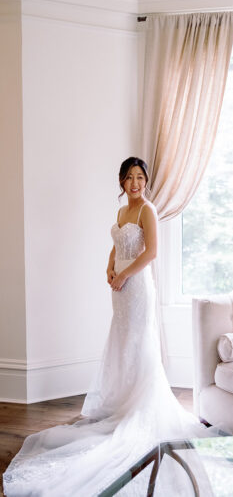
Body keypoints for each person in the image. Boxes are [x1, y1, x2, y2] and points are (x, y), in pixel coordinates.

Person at [3, 157, 214, 496]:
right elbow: (116, 245)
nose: (135, 183)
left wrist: (125, 274)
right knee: (121, 343)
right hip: (119, 288)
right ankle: (120, 400)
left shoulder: (147, 209)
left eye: (140, 178)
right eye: (129, 177)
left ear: (146, 182)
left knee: (138, 343)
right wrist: (108, 270)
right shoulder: (121, 212)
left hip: (137, 288)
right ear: (121, 181)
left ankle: (137, 405)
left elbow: (152, 252)